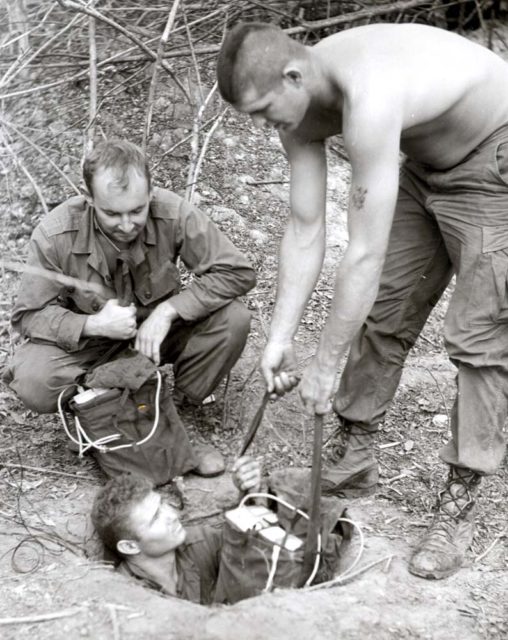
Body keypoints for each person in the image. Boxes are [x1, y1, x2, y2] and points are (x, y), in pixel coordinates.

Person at [216, 22, 508, 579]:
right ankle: (354, 454)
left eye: (262, 109)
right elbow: (305, 229)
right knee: (384, 312)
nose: (259, 126)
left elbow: (363, 253)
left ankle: (459, 503)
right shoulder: (296, 110)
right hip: (426, 167)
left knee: (479, 338)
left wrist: (325, 366)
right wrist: (280, 339)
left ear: (294, 75)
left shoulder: (369, 94)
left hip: (496, 158)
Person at [4, 139, 256, 476]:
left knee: (233, 320)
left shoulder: (173, 212)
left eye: (136, 211)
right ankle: (97, 414)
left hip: (156, 337)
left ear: (150, 193)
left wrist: (170, 311)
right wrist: (92, 325)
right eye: (112, 213)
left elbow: (236, 273)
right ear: (90, 199)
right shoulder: (55, 233)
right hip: (91, 347)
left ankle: (176, 412)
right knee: (34, 377)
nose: (126, 224)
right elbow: (29, 316)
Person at [91, 456, 261, 604]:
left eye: (162, 504)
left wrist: (251, 494)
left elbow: (248, 547)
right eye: (155, 517)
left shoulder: (197, 541)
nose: (172, 514)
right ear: (130, 546)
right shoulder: (125, 597)